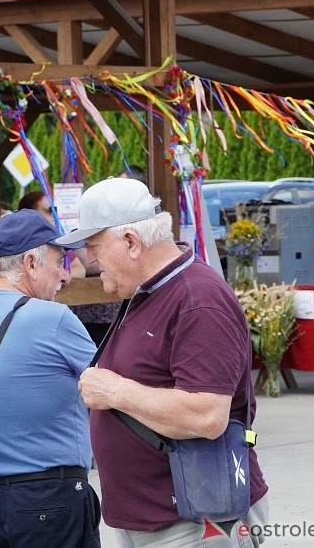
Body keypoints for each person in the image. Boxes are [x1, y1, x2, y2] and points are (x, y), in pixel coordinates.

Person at [74, 177, 269, 547]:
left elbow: (207, 416)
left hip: (195, 522)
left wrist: (115, 390)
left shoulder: (198, 300)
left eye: (94, 246)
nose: (90, 260)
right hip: (157, 517)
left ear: (130, 242)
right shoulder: (151, 290)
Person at [0, 209, 100, 547]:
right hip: (48, 498)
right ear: (29, 262)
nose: (64, 276)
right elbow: (113, 386)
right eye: (58, 262)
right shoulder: (53, 318)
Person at [19, 189, 118, 342]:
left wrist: (62, 272)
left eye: (55, 210)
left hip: (57, 320)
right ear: (30, 213)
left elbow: (79, 268)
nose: (54, 215)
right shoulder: (16, 245)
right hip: (28, 322)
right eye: (48, 210)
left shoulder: (54, 244)